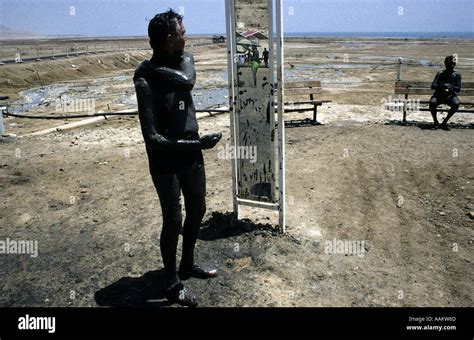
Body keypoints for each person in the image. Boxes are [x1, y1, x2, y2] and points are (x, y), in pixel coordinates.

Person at [133, 9, 222, 307]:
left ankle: (187, 264)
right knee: (173, 220)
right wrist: (197, 143)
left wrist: (148, 69)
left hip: (192, 151)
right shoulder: (144, 82)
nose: (187, 36)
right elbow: (153, 138)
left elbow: (186, 81)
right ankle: (171, 281)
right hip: (165, 158)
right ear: (170, 39)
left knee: (198, 208)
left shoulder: (182, 62)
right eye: (182, 33)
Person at [429, 55, 462, 130]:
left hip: (450, 96)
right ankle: (435, 121)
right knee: (432, 102)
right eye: (449, 64)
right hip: (439, 95)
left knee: (456, 104)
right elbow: (433, 86)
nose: (451, 66)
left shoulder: (457, 75)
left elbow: (458, 89)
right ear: (445, 64)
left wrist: (451, 87)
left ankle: (445, 121)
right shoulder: (440, 73)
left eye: (453, 64)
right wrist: (442, 85)